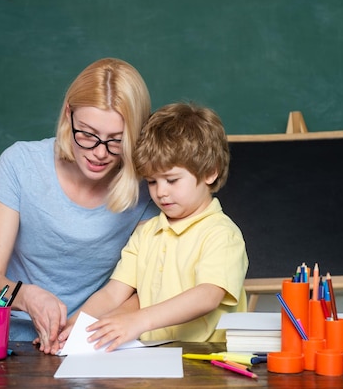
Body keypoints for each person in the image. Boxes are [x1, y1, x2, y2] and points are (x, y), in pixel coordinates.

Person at [0, 57, 159, 354]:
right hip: (12, 343)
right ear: (68, 115)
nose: (99, 153)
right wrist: (27, 297)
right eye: (87, 134)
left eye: (116, 141)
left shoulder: (149, 186)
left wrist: (88, 326)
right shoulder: (20, 164)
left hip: (95, 342)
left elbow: (146, 289)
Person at [60, 102, 249, 352]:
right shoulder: (147, 232)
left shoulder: (221, 234)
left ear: (210, 173)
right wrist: (78, 325)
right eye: (151, 181)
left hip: (209, 361)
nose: (161, 192)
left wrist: (139, 320)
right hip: (155, 357)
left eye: (172, 180)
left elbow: (207, 296)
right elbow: (114, 293)